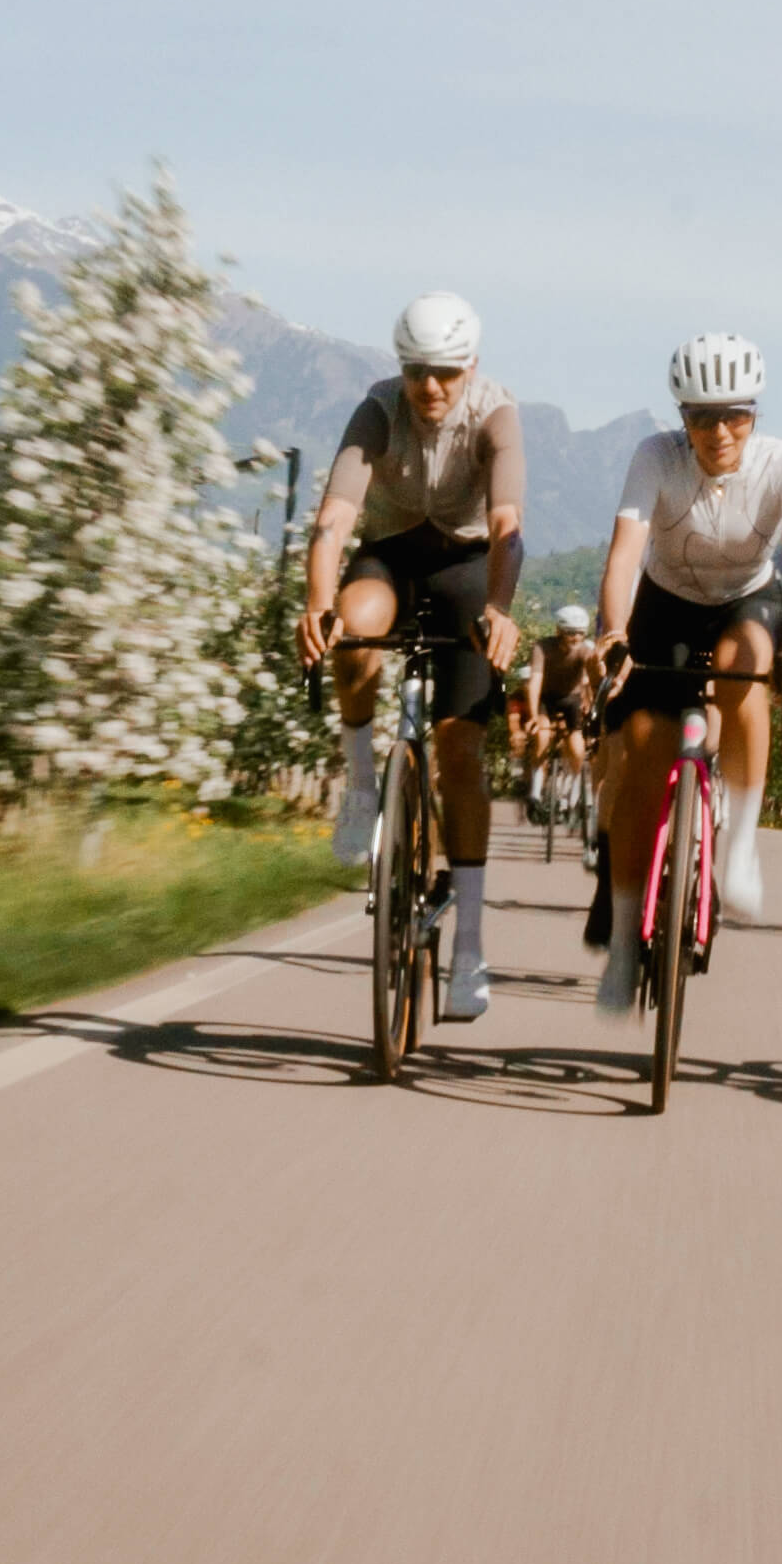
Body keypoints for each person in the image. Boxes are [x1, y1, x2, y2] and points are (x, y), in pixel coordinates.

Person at [296, 291, 525, 1024]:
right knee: (354, 633)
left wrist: (499, 608)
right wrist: (316, 603)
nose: (431, 386)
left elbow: (506, 522)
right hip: (389, 556)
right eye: (419, 369)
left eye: (447, 372)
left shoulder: (495, 410)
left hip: (466, 565)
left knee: (461, 752)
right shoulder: (376, 406)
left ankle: (470, 950)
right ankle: (362, 782)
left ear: (471, 367)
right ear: (402, 366)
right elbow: (334, 517)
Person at [592, 332, 782, 1013]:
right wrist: (611, 633)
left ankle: (740, 845)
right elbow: (623, 559)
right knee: (638, 761)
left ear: (754, 412)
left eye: (736, 416)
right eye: (701, 417)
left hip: (747, 602)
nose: (720, 431)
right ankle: (626, 946)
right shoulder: (653, 458)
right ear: (681, 417)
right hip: (664, 606)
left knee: (743, 662)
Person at [523, 603, 597, 818]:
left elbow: (590, 682)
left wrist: (591, 707)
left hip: (571, 698)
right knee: (542, 737)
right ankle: (535, 793)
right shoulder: (542, 647)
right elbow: (535, 681)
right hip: (546, 697)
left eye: (580, 634)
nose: (576, 638)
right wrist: (534, 715)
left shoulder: (586, 650)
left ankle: (573, 791)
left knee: (576, 744)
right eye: (570, 633)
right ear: (559, 632)